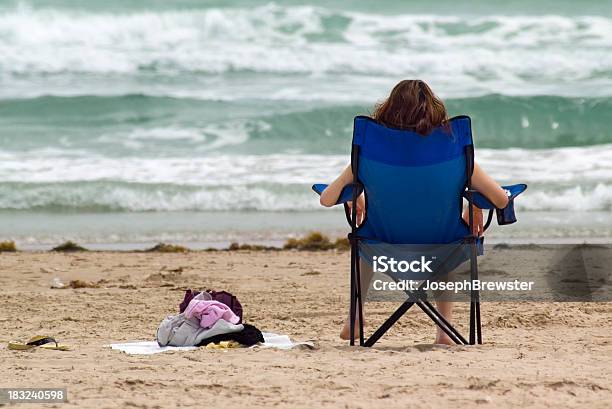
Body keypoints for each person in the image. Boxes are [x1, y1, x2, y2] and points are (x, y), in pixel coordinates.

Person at [319, 79, 509, 345]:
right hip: (440, 246)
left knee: (365, 238)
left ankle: (355, 320)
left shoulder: (367, 154)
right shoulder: (453, 151)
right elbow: (500, 200)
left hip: (385, 247)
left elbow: (327, 199)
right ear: (434, 111)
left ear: (387, 111)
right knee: (450, 241)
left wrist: (354, 193)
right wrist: (475, 204)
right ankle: (444, 332)